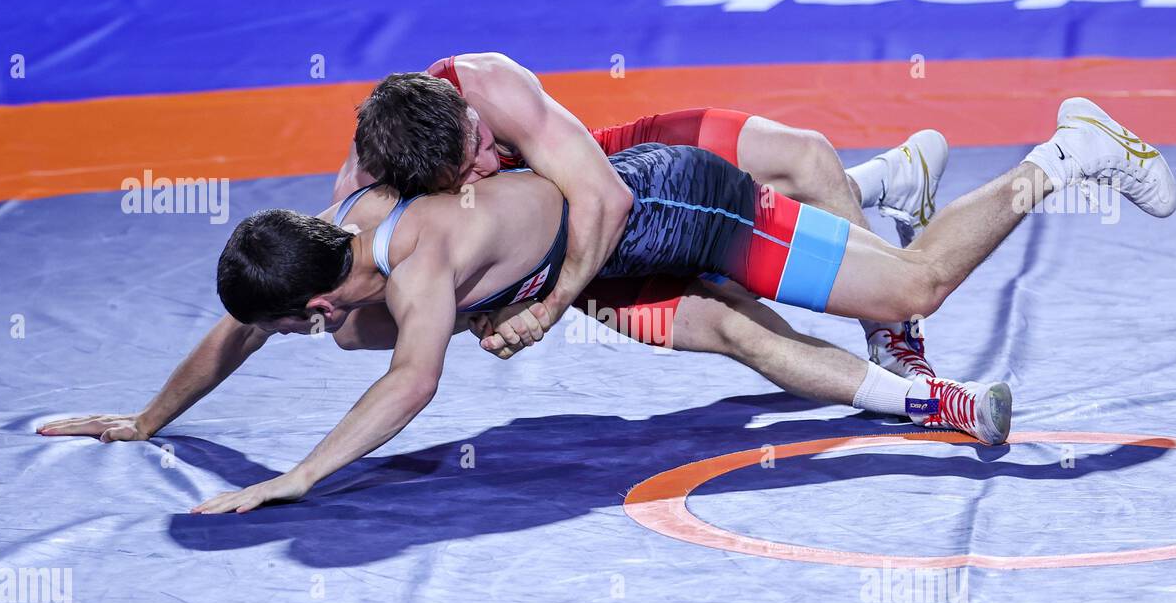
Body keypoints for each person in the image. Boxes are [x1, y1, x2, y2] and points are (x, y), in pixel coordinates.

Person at [35, 97, 1175, 515]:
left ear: (324, 285)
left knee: (913, 281)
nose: (296, 336)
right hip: (582, 275)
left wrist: (299, 475)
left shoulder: (417, 255)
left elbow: (413, 379)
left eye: (303, 321)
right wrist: (147, 419)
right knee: (741, 339)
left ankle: (1061, 155)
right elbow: (239, 325)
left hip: (669, 212)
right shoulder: (333, 232)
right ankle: (920, 368)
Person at [341, 53, 946, 376]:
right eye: (462, 180)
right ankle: (885, 184)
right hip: (578, 268)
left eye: (478, 150)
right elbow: (319, 306)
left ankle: (891, 339)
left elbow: (605, 197)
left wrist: (541, 311)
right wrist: (481, 303)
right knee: (740, 320)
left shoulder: (486, 84)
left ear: (467, 114)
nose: (485, 172)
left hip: (608, 173)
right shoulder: (372, 180)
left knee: (808, 156)